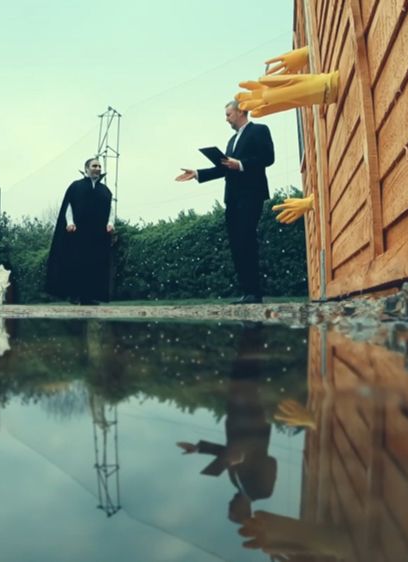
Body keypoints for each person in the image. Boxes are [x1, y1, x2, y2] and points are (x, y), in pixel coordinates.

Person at [176, 324, 277, 523]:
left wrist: (198, 448)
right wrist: (245, 458)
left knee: (239, 375)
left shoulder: (234, 481)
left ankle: (250, 331)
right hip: (252, 424)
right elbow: (271, 462)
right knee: (248, 376)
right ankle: (255, 330)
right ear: (244, 511)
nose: (229, 504)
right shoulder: (263, 492)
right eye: (232, 509)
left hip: (236, 419)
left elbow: (228, 453)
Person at [176, 101, 275, 304]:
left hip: (251, 195)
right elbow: (224, 169)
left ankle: (255, 292)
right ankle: (246, 291)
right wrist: (197, 173)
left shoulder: (259, 130)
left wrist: (240, 164)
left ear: (240, 111)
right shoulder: (231, 141)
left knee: (247, 240)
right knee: (237, 244)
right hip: (232, 198)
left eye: (229, 114)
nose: (226, 119)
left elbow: (268, 158)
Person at [44, 158, 115, 305]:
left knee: (94, 264)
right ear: (86, 168)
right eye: (94, 166)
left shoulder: (105, 191)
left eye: (99, 166)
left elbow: (110, 209)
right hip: (78, 233)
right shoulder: (76, 186)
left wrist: (110, 223)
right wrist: (70, 222)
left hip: (97, 235)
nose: (97, 168)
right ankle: (74, 295)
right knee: (76, 263)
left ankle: (89, 297)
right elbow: (68, 206)